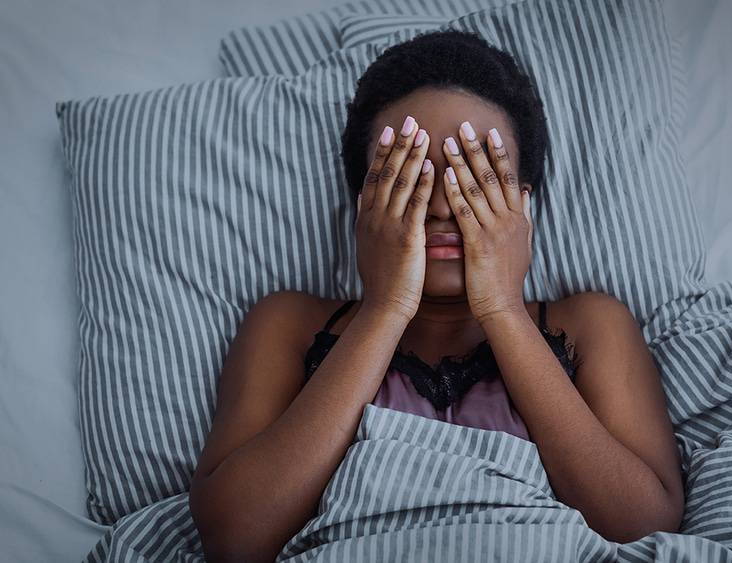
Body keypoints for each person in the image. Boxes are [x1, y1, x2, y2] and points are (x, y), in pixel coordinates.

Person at [189, 30, 683, 562]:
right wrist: (385, 307)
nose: (445, 207)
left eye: (478, 177)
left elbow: (641, 525)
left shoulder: (589, 325)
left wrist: (502, 308)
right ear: (363, 203)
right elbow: (234, 538)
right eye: (413, 176)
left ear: (524, 204)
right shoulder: (288, 325)